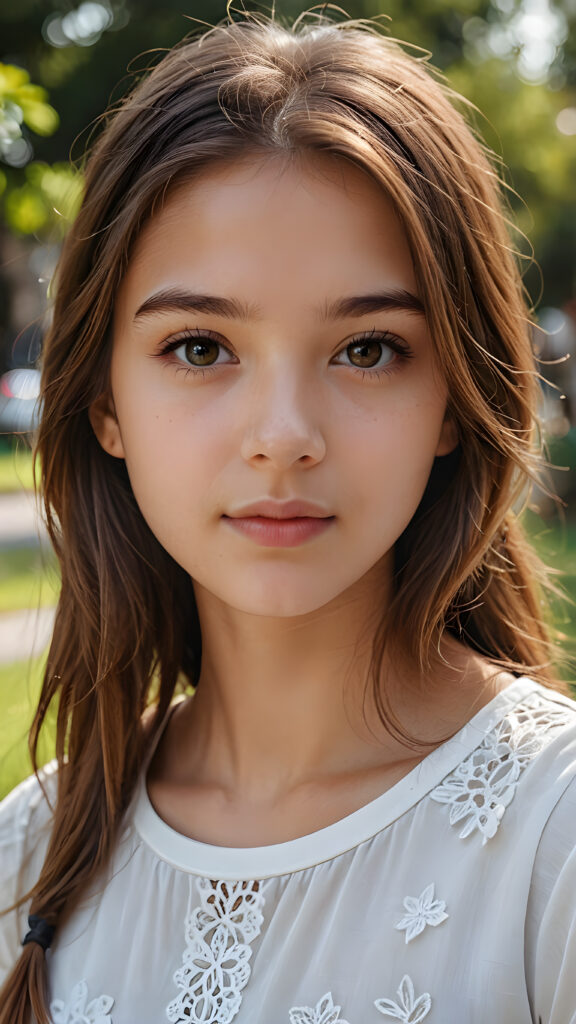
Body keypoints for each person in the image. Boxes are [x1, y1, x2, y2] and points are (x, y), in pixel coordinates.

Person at [1, 9, 576, 1023]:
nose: (283, 435)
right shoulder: (28, 852)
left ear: (452, 399)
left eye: (367, 350)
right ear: (105, 405)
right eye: (199, 346)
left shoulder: (552, 840)